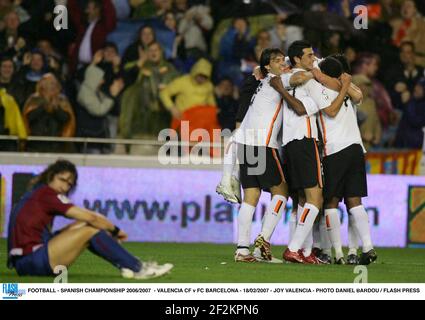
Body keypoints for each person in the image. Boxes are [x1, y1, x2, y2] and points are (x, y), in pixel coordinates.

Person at [7, 159, 173, 279]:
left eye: (69, 184)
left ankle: (125, 264)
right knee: (89, 229)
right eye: (62, 180)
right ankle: (139, 268)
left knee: (83, 225)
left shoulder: (37, 193)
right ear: (51, 176)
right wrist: (116, 231)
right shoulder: (47, 194)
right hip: (33, 260)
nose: (64, 187)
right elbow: (91, 217)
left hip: (26, 260)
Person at [233, 48, 314, 263]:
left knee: (251, 197)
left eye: (282, 60)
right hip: (263, 145)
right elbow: (300, 77)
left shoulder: (260, 83)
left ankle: (242, 249)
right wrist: (315, 70)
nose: (282, 63)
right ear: (268, 66)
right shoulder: (277, 80)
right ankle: (262, 242)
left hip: (246, 144)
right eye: (277, 61)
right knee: (281, 193)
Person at [315, 56, 377, 265]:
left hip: (335, 149)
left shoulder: (322, 91)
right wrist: (346, 82)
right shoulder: (350, 90)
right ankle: (367, 247)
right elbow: (359, 95)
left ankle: (338, 254)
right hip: (356, 148)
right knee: (354, 200)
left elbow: (331, 112)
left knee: (331, 201)